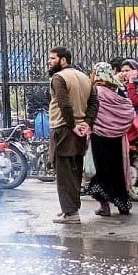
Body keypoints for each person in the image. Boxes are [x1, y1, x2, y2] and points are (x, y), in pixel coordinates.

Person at [47, 46, 98, 224]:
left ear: (63, 60)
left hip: (63, 128)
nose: (49, 61)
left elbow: (64, 103)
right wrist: (87, 123)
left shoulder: (59, 78)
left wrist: (72, 124)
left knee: (64, 171)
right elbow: (94, 103)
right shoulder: (85, 77)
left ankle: (70, 213)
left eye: (52, 58)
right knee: (75, 169)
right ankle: (70, 208)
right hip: (79, 129)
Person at [86, 62, 134, 217]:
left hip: (99, 137)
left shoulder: (95, 92)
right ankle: (122, 206)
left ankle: (104, 206)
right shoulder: (117, 92)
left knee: (101, 171)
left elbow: (89, 112)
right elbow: (128, 111)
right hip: (117, 139)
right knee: (117, 171)